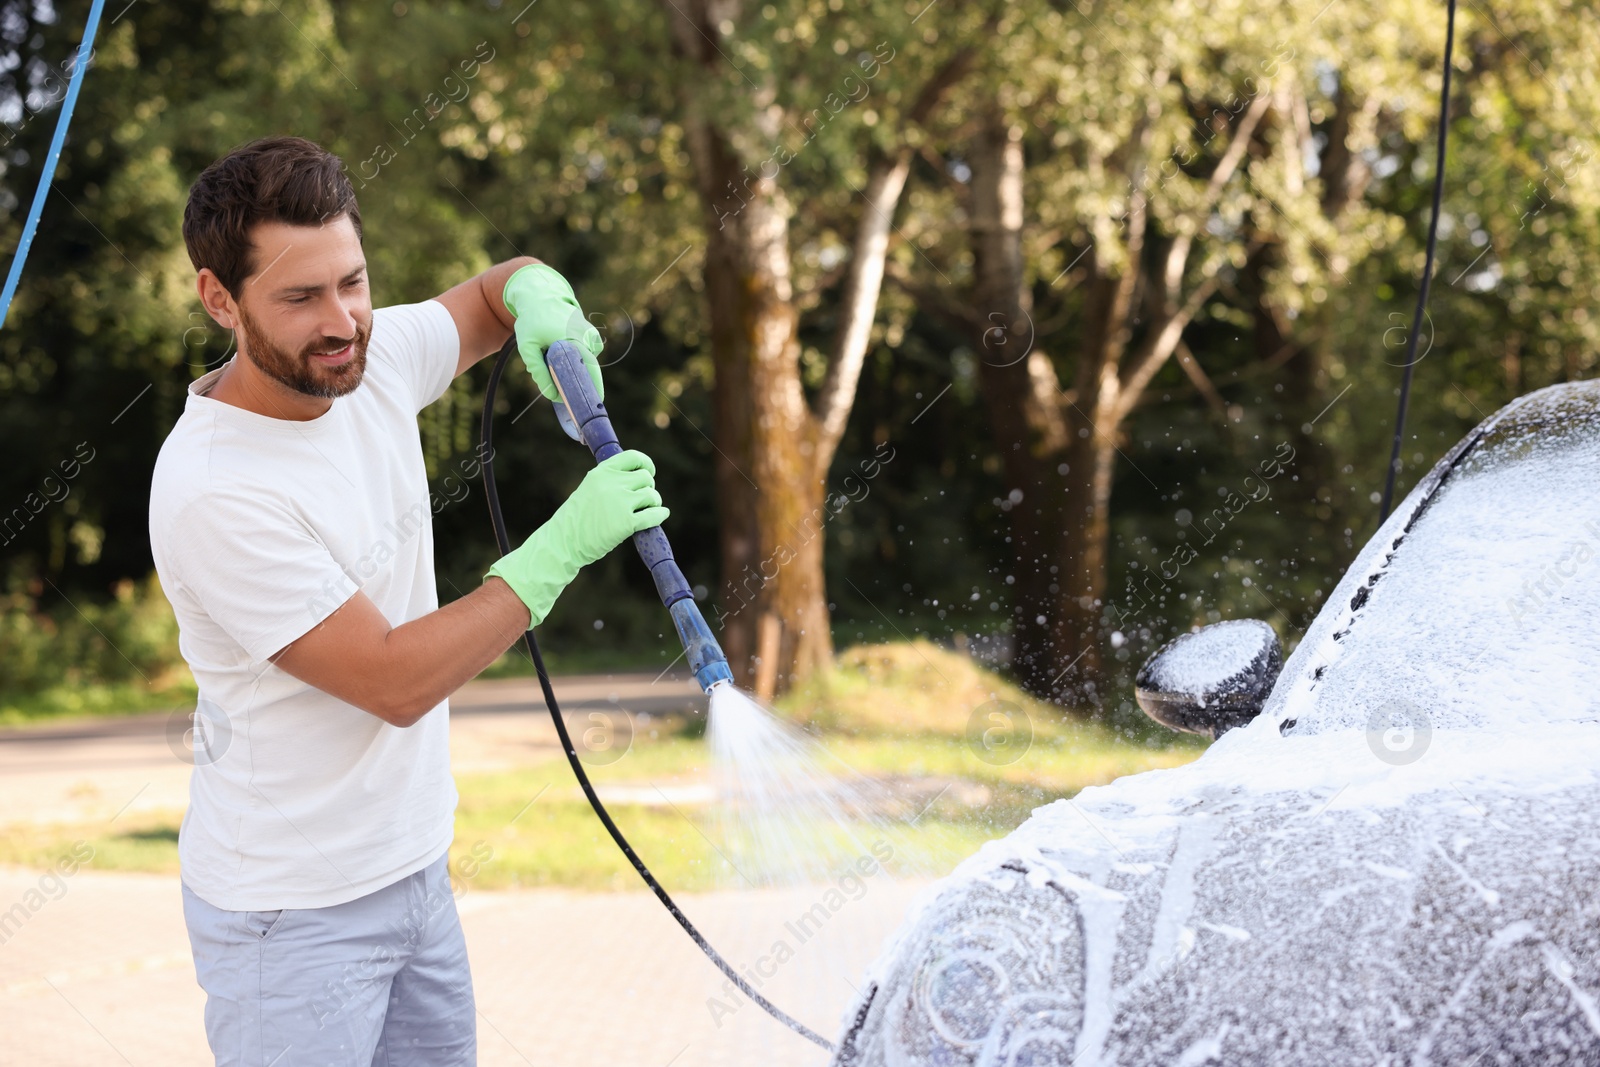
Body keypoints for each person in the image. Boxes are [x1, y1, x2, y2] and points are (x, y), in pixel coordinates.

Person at [146, 134, 668, 1066]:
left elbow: (490, 292)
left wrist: (542, 302)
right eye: (300, 297)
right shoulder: (214, 487)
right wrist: (562, 547)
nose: (342, 319)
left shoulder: (365, 357)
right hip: (292, 918)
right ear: (220, 298)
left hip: (415, 872)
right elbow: (392, 679)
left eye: (353, 280)